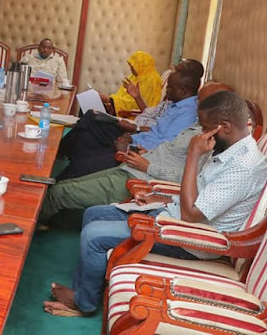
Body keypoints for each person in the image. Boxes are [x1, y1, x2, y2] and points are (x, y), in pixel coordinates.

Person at [43, 90, 267, 317]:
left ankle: (84, 304)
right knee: (94, 213)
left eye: (204, 126)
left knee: (93, 236)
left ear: (225, 127)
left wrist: (192, 154)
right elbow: (200, 193)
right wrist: (162, 198)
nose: (200, 133)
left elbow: (191, 215)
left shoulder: (243, 167)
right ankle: (83, 291)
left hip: (190, 240)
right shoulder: (227, 148)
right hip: (173, 213)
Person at [38, 82, 233, 224]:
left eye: (202, 101)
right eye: (198, 100)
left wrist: (148, 165)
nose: (196, 105)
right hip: (134, 165)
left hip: (141, 179)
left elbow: (192, 179)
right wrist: (145, 153)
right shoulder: (198, 125)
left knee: (58, 193)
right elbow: (168, 147)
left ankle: (23, 238)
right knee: (62, 185)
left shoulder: (211, 139)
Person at [57, 70, 199, 180]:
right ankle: (62, 159)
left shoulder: (187, 113)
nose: (166, 90)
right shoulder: (176, 105)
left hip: (138, 151)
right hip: (134, 138)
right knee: (88, 129)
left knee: (88, 135)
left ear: (182, 91)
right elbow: (156, 131)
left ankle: (61, 166)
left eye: (170, 87)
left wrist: (132, 137)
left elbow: (164, 144)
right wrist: (131, 137)